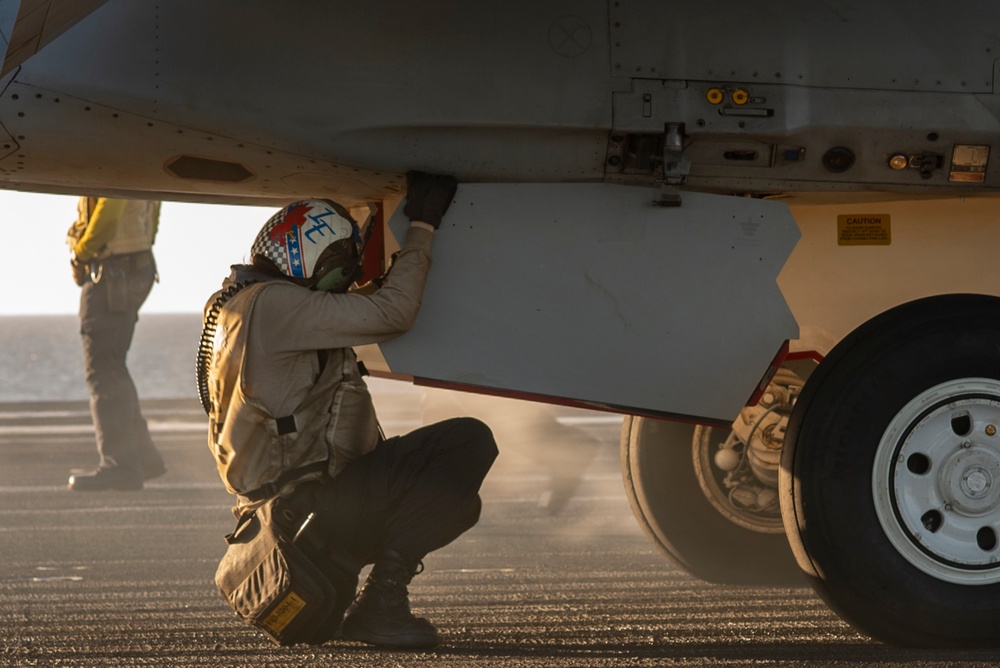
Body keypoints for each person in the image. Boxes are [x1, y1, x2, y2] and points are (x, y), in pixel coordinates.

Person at [199, 172, 497, 649]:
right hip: (314, 510)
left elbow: (355, 308)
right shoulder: (278, 306)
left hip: (284, 516)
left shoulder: (234, 305)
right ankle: (380, 606)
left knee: (455, 502)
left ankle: (368, 593)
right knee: (467, 442)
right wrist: (423, 223)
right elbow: (391, 313)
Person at [67, 197, 166, 492]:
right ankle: (143, 457)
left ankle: (121, 466)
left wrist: (81, 253)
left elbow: (109, 209)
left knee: (103, 370)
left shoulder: (109, 155)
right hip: (136, 263)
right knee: (112, 366)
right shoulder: (146, 150)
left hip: (113, 270)